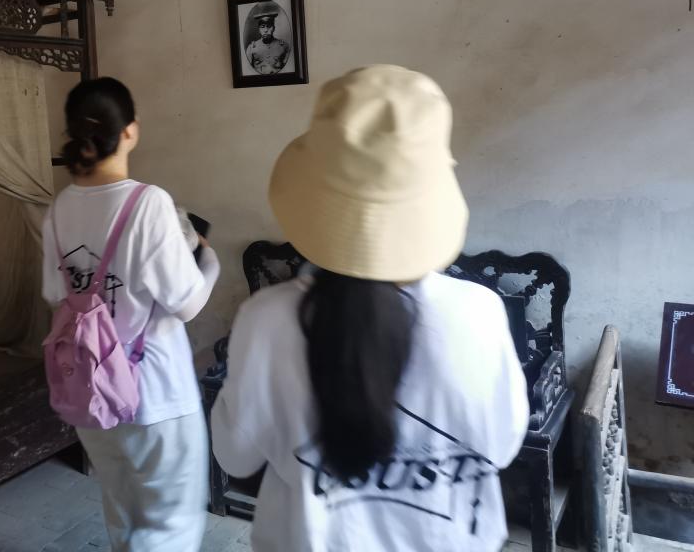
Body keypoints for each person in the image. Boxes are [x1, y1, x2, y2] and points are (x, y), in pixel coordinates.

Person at [211, 65, 530, 552]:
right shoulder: (480, 313)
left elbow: (235, 457)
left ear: (316, 194)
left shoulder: (267, 320)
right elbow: (502, 447)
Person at [42, 77, 220, 552]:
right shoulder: (148, 203)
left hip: (91, 391)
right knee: (169, 529)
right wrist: (209, 260)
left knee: (123, 517)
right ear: (130, 130)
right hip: (156, 397)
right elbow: (188, 304)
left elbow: (55, 294)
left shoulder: (58, 210)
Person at [245, 2, 292, 74]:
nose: (266, 30)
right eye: (262, 27)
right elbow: (247, 71)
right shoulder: (251, 48)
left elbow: (288, 69)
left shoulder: (284, 46)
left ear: (274, 28)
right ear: (259, 30)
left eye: (269, 26)